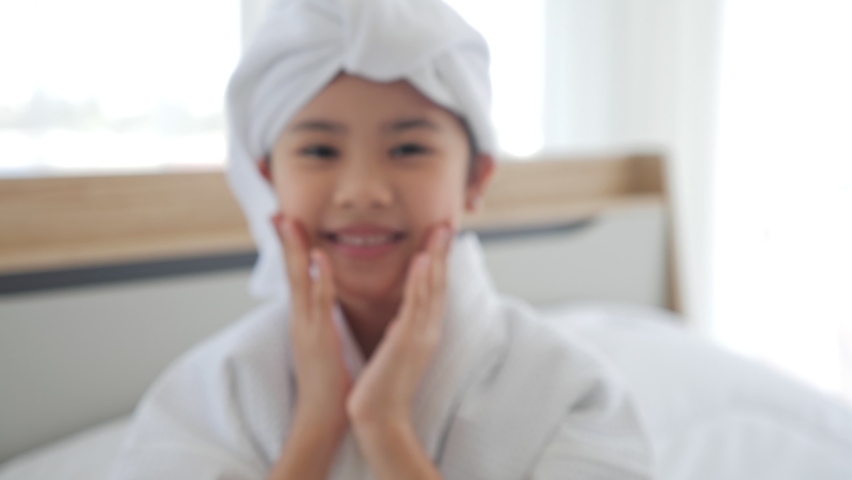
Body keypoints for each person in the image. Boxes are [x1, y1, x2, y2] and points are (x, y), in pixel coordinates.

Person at [110, 0, 651, 478]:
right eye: (319, 151)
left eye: (409, 149)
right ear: (269, 178)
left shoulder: (572, 395)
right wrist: (316, 429)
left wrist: (386, 430)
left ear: (476, 178)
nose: (362, 192)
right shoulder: (207, 399)